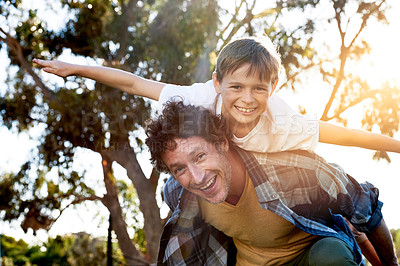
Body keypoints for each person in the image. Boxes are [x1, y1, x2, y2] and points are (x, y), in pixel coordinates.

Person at [33, 36, 399, 263]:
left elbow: (345, 135)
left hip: (264, 172)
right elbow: (133, 82)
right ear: (217, 82)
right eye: (236, 87)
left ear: (273, 87)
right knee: (180, 192)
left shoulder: (283, 124)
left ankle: (352, 235)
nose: (247, 99)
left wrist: (396, 145)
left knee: (330, 198)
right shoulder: (198, 99)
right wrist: (76, 69)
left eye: (259, 89)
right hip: (220, 174)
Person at [144, 100, 398, 265]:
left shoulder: (295, 169)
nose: (197, 178)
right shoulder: (179, 191)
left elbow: (367, 207)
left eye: (200, 156)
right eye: (180, 169)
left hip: (310, 256)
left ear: (221, 143)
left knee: (331, 255)